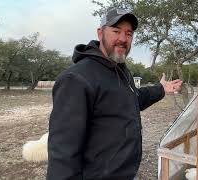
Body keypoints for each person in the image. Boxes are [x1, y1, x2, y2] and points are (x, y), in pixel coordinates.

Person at [47, 7, 182, 180]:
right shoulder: (77, 79)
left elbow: (133, 99)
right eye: (116, 31)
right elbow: (63, 152)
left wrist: (161, 89)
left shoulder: (121, 71)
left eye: (129, 33)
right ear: (100, 33)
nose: (123, 39)